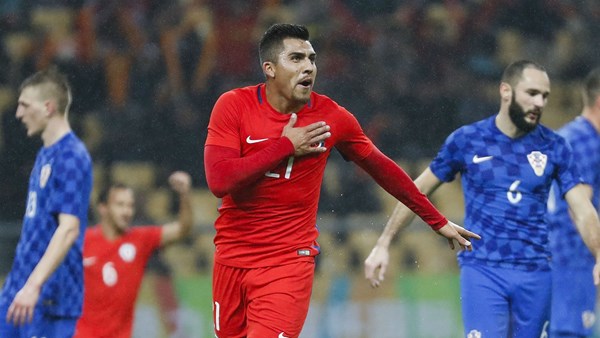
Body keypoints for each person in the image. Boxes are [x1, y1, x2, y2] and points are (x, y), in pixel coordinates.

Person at [203, 23, 480, 338]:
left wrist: (436, 220)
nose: (308, 66)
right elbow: (219, 181)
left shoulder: (332, 117)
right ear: (270, 68)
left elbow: (384, 169)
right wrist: (285, 146)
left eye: (312, 58)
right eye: (296, 58)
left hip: (287, 262)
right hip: (231, 260)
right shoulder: (233, 106)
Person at [364, 60, 600, 338]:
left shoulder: (555, 146)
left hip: (536, 272)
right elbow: (416, 192)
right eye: (532, 93)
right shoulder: (468, 140)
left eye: (545, 96)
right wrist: (384, 242)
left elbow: (582, 208)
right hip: (484, 270)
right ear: (506, 91)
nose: (539, 102)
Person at [0, 68, 93, 337]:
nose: (18, 113)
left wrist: (34, 286)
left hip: (49, 297)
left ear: (48, 107)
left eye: (24, 105)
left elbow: (69, 229)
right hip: (20, 290)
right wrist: (20, 286)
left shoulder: (72, 157)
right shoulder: (45, 154)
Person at [73, 171, 193, 338]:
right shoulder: (81, 242)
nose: (127, 211)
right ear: (103, 208)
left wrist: (184, 195)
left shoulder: (141, 239)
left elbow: (182, 229)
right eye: (120, 205)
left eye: (130, 205)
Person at [547, 67, 600, 338]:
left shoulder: (570, 136)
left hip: (563, 257)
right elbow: (579, 210)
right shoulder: (585, 142)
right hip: (572, 257)